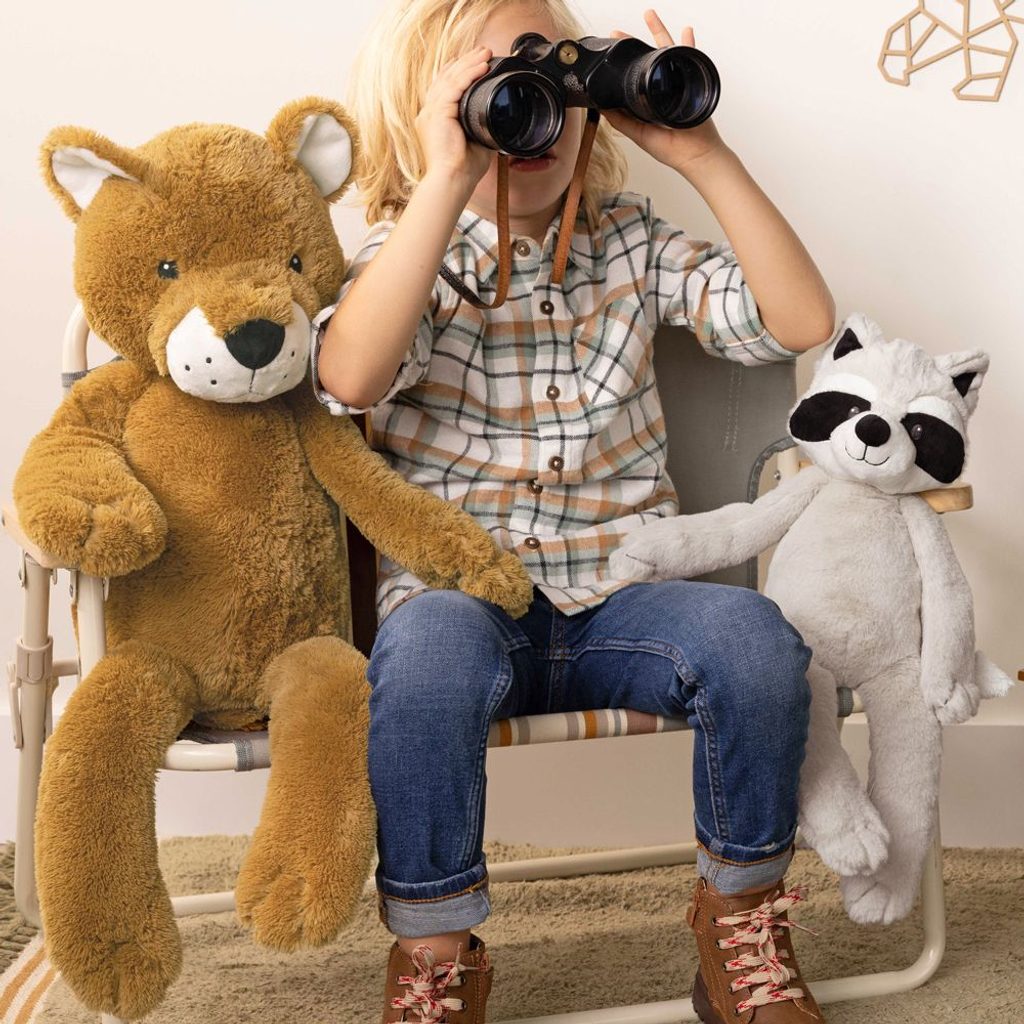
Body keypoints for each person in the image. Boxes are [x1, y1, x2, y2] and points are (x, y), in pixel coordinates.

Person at [315, 2, 837, 1020]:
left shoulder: (633, 243)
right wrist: (448, 177)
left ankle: (739, 920)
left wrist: (704, 155)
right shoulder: (409, 256)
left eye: (556, 82)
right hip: (466, 600)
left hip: (624, 594)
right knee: (421, 659)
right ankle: (434, 953)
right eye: (501, 89)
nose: (536, 114)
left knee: (754, 637)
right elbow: (352, 376)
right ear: (428, 112)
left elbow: (799, 321)